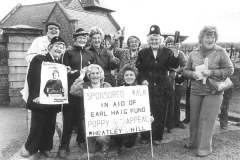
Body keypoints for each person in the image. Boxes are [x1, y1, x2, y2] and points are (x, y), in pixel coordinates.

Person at [183, 25, 234, 157]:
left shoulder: (221, 51)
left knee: (206, 120)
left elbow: (229, 69)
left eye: (212, 37)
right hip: (195, 91)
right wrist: (192, 74)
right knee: (194, 119)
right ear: (202, 38)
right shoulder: (194, 53)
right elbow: (185, 70)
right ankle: (193, 142)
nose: (210, 39)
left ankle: (203, 149)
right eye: (207, 37)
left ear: (215, 39)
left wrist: (211, 72)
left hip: (214, 92)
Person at [21, 36, 66, 158]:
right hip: (40, 98)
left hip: (53, 99)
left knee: (50, 124)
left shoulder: (60, 64)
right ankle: (30, 148)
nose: (59, 49)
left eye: (61, 47)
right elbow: (32, 78)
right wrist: (35, 96)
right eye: (57, 46)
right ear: (50, 47)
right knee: (37, 124)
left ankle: (46, 147)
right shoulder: (39, 59)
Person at [136, 25, 179, 145]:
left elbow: (174, 65)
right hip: (147, 84)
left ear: (160, 40)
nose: (154, 41)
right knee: (146, 109)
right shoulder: (143, 53)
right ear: (148, 40)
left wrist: (175, 55)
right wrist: (143, 79)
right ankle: (144, 136)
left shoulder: (167, 52)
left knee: (160, 110)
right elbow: (140, 69)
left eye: (156, 39)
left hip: (162, 84)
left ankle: (157, 136)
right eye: (152, 39)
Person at [59, 28, 96, 158]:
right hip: (71, 90)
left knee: (82, 116)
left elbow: (95, 71)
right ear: (75, 39)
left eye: (84, 38)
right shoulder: (68, 52)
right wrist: (74, 72)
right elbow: (63, 70)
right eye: (79, 38)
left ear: (87, 40)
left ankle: (81, 140)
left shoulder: (90, 54)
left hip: (85, 89)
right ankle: (64, 146)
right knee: (68, 118)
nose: (82, 39)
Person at [70, 64, 111, 155]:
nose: (95, 75)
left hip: (104, 118)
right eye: (92, 73)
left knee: (102, 138)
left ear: (101, 75)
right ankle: (97, 139)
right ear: (89, 75)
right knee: (91, 150)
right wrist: (81, 75)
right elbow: (73, 91)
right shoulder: (84, 86)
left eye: (97, 73)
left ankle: (105, 143)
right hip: (90, 119)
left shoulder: (106, 85)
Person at [21, 21, 61, 102]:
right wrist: (41, 60)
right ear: (47, 31)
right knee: (35, 98)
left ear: (59, 31)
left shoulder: (61, 43)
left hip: (52, 75)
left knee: (50, 97)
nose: (54, 30)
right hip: (38, 74)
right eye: (51, 28)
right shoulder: (39, 40)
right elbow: (28, 56)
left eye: (56, 28)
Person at [165, 36, 187, 132]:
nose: (170, 46)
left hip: (175, 81)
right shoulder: (164, 53)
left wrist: (177, 71)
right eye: (168, 44)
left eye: (172, 44)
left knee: (176, 101)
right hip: (165, 80)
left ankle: (176, 121)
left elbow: (185, 66)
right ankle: (167, 122)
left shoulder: (179, 53)